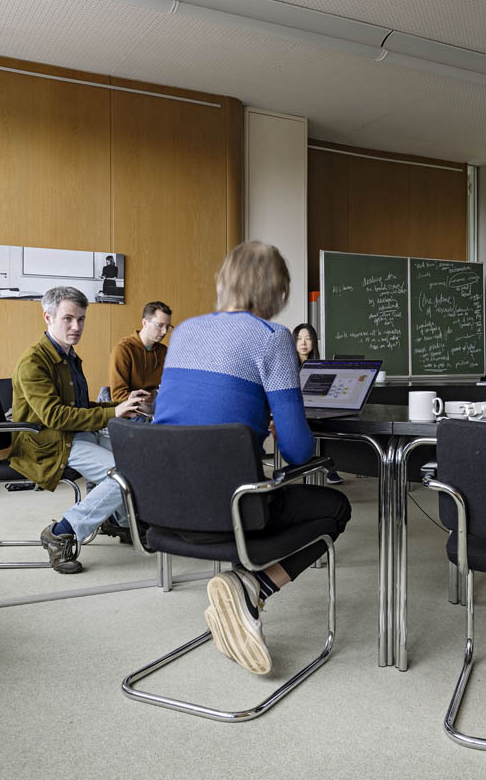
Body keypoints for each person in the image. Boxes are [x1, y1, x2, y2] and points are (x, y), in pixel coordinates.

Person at [154, 242, 352, 676]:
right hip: (233, 510)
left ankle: (244, 592)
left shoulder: (183, 331)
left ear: (224, 279)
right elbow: (299, 451)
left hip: (160, 509)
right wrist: (283, 422)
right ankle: (252, 585)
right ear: (276, 292)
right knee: (335, 507)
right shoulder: (271, 338)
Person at [8, 286, 150, 574]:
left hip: (73, 435)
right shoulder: (33, 362)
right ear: (48, 317)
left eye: (82, 319)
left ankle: (118, 521)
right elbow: (55, 416)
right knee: (123, 474)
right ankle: (61, 531)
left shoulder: (68, 355)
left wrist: (123, 403)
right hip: (49, 443)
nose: (76, 327)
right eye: (68, 319)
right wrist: (113, 412)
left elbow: (81, 406)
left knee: (138, 459)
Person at [291, 322, 343, 485]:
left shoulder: (321, 366)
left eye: (307, 339)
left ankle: (328, 466)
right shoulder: (289, 365)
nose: (304, 343)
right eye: (299, 339)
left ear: (313, 341)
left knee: (329, 424)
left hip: (316, 409)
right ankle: (314, 468)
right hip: (296, 410)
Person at [108, 301, 171, 405]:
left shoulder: (164, 351)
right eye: (160, 325)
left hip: (157, 408)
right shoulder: (123, 350)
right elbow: (118, 397)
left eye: (168, 327)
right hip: (132, 412)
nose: (164, 332)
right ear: (145, 323)